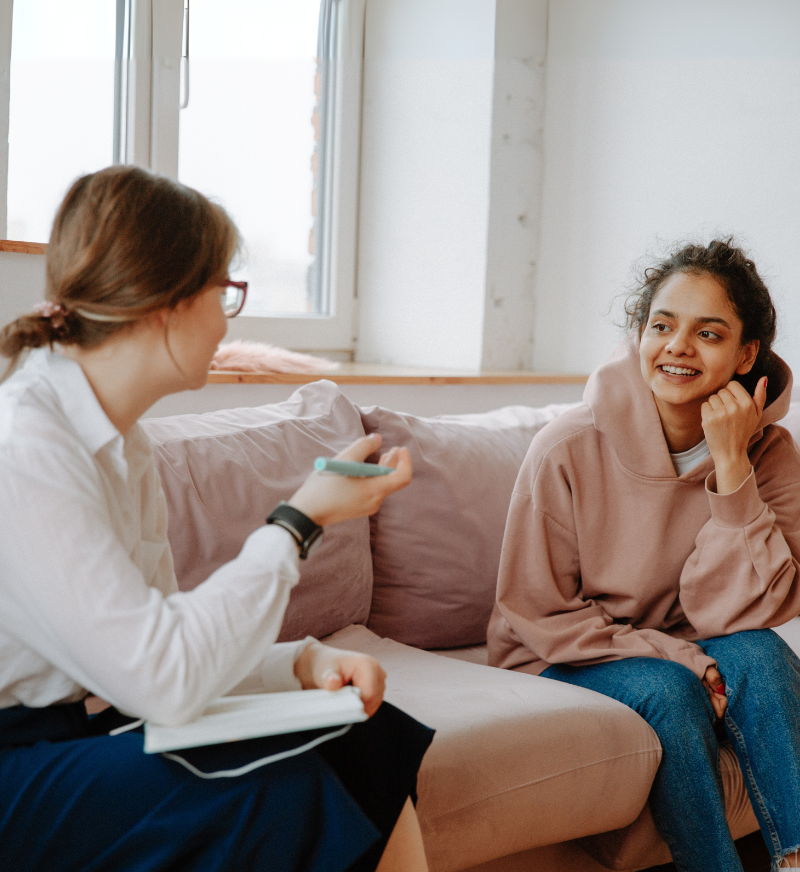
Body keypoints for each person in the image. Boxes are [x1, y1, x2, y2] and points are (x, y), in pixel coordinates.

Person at [0, 165, 433, 872]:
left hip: (81, 733)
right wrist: (295, 523)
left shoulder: (123, 444)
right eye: (224, 291)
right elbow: (163, 679)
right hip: (18, 759)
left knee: (362, 737)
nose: (230, 315)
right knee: (276, 791)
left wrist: (301, 661)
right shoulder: (27, 448)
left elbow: (169, 637)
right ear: (168, 301)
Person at [487, 239, 800, 872]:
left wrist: (732, 469)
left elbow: (759, 610)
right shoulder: (566, 448)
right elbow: (537, 611)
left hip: (695, 647)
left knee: (765, 655)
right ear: (640, 335)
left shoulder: (770, 454)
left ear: (745, 355)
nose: (678, 346)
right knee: (667, 689)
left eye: (707, 333)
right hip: (559, 656)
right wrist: (679, 655)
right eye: (662, 325)